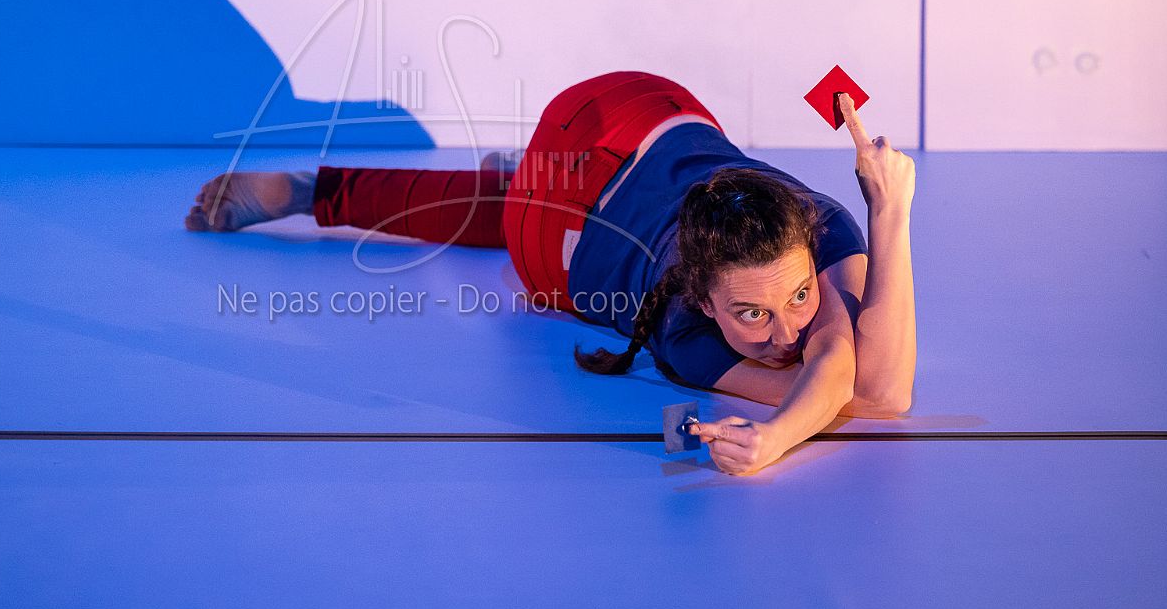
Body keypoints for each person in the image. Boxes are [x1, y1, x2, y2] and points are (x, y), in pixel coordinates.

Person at [187, 71, 917, 476]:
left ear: (808, 239)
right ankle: (319, 191)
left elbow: (861, 376)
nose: (787, 334)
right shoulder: (685, 332)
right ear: (702, 299)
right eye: (752, 315)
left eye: (800, 296)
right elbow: (871, 390)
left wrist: (884, 211)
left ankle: (508, 172)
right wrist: (889, 216)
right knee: (504, 212)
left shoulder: (813, 223)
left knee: (509, 191)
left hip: (646, 105)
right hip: (560, 217)